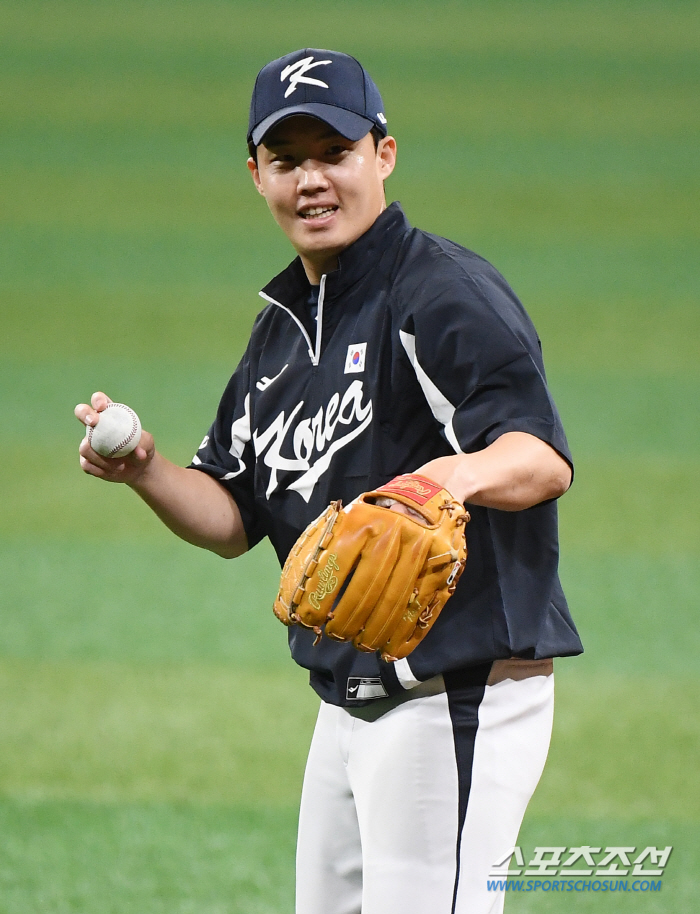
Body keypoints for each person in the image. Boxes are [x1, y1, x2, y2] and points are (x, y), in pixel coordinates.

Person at [76, 48, 582, 914]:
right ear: (256, 174)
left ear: (382, 155)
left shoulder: (438, 291)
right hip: (345, 709)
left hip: (453, 699)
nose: (312, 180)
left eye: (334, 152)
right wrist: (147, 472)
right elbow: (233, 513)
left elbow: (539, 457)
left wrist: (440, 483)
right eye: (287, 160)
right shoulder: (281, 332)